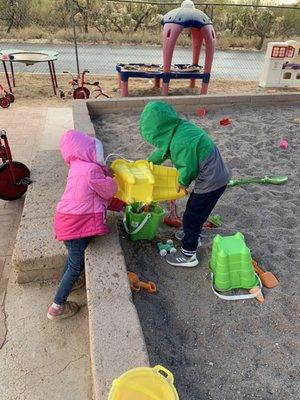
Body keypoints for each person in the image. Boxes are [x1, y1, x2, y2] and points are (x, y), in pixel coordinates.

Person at [139, 101, 230, 268]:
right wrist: (148, 163)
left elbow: (187, 167)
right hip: (216, 175)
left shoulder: (180, 143)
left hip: (211, 181)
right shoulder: (178, 128)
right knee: (195, 209)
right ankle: (193, 234)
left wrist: (181, 184)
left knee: (192, 215)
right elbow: (164, 150)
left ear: (157, 131)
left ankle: (189, 254)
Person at [47, 130, 117, 320]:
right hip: (74, 227)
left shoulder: (76, 167)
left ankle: (69, 281)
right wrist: (112, 178)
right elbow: (108, 190)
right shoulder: (91, 170)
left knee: (72, 261)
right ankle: (57, 307)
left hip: (66, 221)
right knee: (75, 266)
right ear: (89, 151)